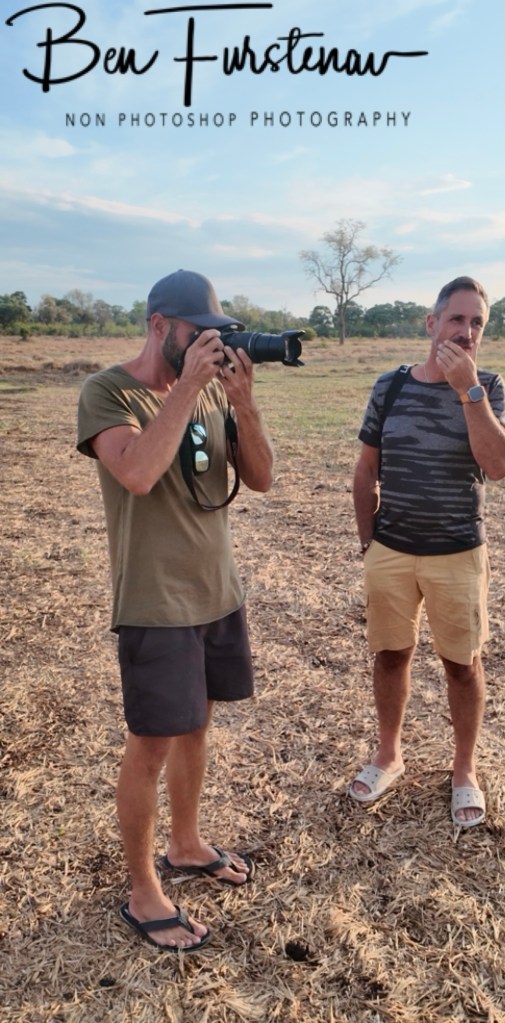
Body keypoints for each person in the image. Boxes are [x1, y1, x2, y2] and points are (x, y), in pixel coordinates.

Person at [77, 269, 274, 951]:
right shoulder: (109, 391)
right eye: (198, 336)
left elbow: (263, 477)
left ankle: (186, 843)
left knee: (197, 725)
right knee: (152, 742)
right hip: (155, 600)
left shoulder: (213, 391)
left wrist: (241, 403)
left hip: (215, 589)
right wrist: (187, 386)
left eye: (215, 338)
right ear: (160, 324)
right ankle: (142, 889)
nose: (209, 349)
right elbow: (135, 470)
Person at [348, 276, 505, 827]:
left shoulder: (487, 387)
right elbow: (366, 467)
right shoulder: (390, 386)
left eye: (476, 324)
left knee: (462, 666)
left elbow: (499, 464)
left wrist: (467, 390)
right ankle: (388, 755)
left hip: (457, 552)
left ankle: (464, 769)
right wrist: (368, 541)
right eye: (456, 320)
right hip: (391, 550)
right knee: (391, 655)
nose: (466, 333)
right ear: (431, 322)